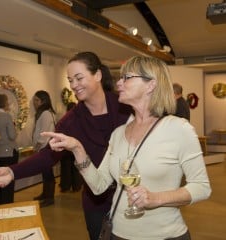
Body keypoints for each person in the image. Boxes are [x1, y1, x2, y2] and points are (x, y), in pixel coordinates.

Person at [43, 56, 211, 240]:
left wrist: (155, 199)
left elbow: (201, 187)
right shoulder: (118, 134)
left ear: (151, 85)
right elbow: (99, 186)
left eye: (126, 77)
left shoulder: (178, 129)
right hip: (117, 234)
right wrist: (77, 149)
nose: (118, 84)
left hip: (164, 235)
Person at [0, 51, 133, 240]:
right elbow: (48, 155)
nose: (74, 85)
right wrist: (13, 171)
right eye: (70, 80)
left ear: (97, 75)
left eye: (79, 78)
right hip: (96, 202)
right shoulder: (72, 121)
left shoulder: (125, 106)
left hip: (132, 198)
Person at [0, 94, 19, 205]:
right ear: (4, 103)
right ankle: (7, 205)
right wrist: (14, 126)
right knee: (8, 181)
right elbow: (12, 136)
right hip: (8, 152)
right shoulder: (6, 116)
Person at [32, 90, 56, 207]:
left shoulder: (46, 113)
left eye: (36, 100)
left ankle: (49, 197)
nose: (34, 103)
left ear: (43, 101)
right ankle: (45, 194)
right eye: (34, 100)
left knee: (48, 173)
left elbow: (44, 133)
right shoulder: (43, 113)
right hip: (43, 147)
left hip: (45, 147)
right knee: (45, 172)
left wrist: (37, 146)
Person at [59, 101, 83, 192]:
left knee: (66, 167)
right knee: (76, 168)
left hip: (66, 147)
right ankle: (76, 186)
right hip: (76, 146)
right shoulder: (81, 119)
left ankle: (65, 186)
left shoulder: (65, 119)